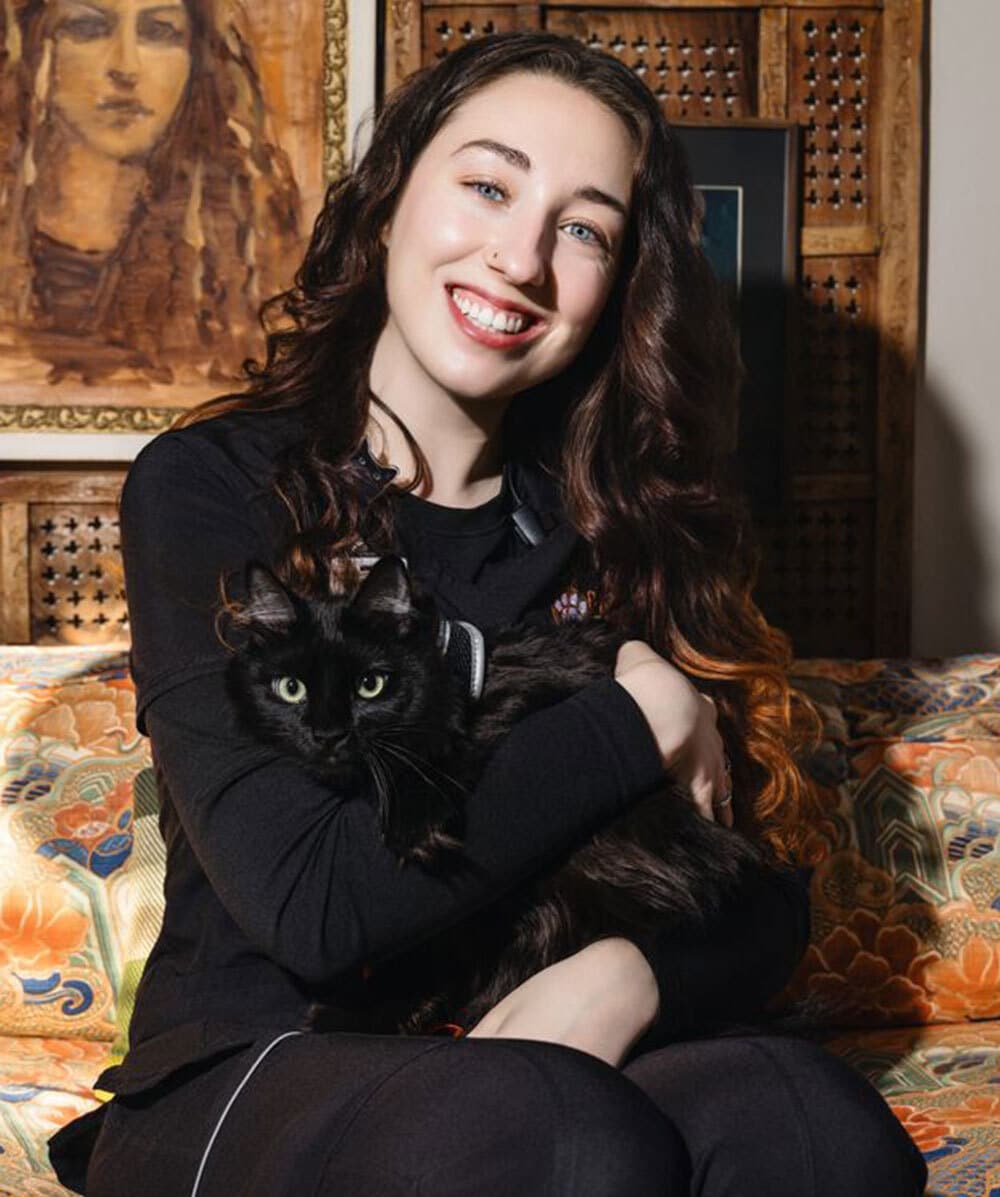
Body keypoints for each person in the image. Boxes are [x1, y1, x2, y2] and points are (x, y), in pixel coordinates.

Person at [49, 30, 928, 1197]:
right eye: (488, 186)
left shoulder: (613, 522)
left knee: (811, 1123)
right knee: (560, 1127)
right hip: (258, 1060)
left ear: (619, 286)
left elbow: (760, 904)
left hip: (525, 1044)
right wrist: (632, 718)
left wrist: (625, 978)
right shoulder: (213, 486)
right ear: (389, 200)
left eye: (583, 229)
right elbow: (316, 906)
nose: (520, 258)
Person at [0, 0, 300, 385]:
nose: (126, 67)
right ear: (32, 44)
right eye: (87, 28)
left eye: (159, 31)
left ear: (198, 58)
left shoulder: (246, 253)